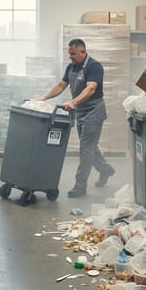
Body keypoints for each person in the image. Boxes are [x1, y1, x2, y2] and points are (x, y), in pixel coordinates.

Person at [38, 38, 115, 197]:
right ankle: (106, 170)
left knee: (86, 149)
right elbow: (61, 85)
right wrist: (43, 98)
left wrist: (73, 102)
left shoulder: (94, 66)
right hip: (80, 111)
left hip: (94, 111)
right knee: (90, 146)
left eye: (73, 54)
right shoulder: (71, 67)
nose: (71, 57)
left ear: (83, 51)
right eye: (69, 54)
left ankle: (80, 186)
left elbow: (91, 89)